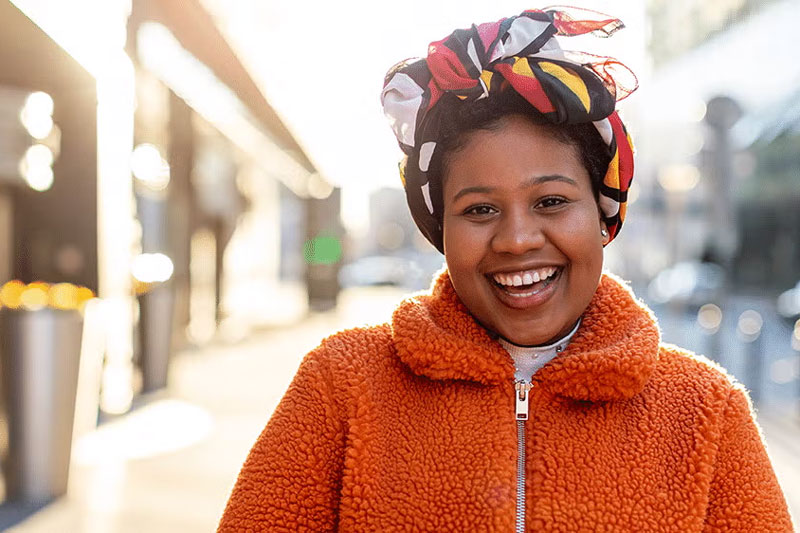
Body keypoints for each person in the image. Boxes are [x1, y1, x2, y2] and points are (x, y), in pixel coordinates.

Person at [218, 8, 793, 532]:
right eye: (479, 210)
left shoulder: (704, 411)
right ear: (439, 228)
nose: (517, 240)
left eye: (551, 202)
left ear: (604, 213)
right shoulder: (340, 387)